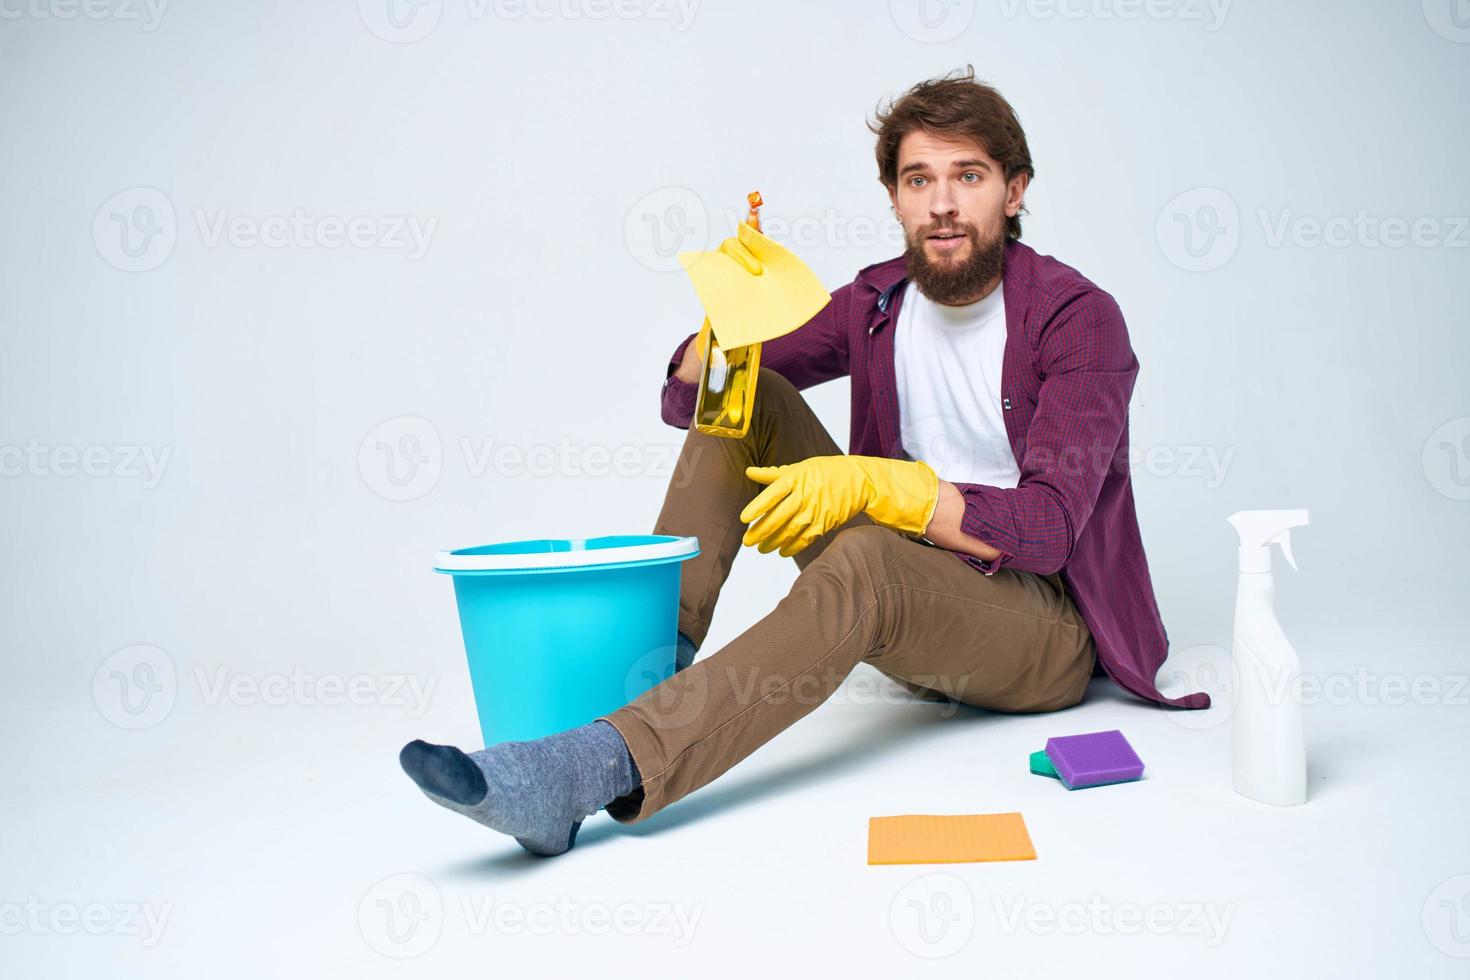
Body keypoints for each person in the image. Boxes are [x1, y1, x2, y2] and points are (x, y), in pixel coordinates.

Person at [399, 66, 1208, 856]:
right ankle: (638, 689)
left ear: (1016, 190)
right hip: (908, 598)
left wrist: (878, 484)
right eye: (919, 180)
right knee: (749, 393)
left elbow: (1051, 531)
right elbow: (695, 403)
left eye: (970, 175)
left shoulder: (1079, 321)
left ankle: (583, 774)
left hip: (1038, 632)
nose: (944, 203)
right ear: (893, 196)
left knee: (866, 558)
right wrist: (726, 326)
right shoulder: (877, 301)